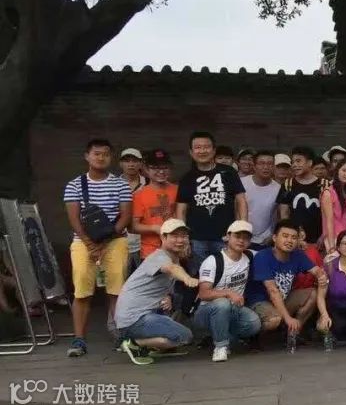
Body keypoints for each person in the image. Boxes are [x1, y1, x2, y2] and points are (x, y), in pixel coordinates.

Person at [63, 139, 133, 357]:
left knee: (117, 289)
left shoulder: (120, 184)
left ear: (111, 158)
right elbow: (74, 218)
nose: (101, 157)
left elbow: (125, 216)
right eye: (96, 153)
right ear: (87, 156)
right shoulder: (75, 185)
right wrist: (89, 243)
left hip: (115, 240)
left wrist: (104, 241)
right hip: (83, 241)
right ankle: (79, 339)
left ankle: (122, 336)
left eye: (105, 154)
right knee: (82, 290)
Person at [115, 218, 199, 365]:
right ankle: (134, 343)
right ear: (163, 237)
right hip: (134, 319)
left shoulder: (174, 258)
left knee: (175, 324)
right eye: (175, 236)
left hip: (142, 314)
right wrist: (187, 278)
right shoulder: (159, 257)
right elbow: (172, 269)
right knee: (185, 336)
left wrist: (168, 296)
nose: (180, 240)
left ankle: (154, 346)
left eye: (184, 236)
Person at [245, 219, 327, 353]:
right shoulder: (263, 257)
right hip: (261, 302)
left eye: (294, 237)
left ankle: (292, 333)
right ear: (274, 238)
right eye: (285, 236)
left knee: (312, 293)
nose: (289, 240)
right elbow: (272, 291)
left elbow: (317, 270)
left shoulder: (297, 255)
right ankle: (254, 337)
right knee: (274, 319)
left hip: (283, 299)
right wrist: (288, 318)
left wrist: (321, 276)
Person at [176, 131, 248, 274]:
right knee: (199, 276)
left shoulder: (228, 172)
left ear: (214, 150)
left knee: (226, 274)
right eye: (198, 147)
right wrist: (183, 238)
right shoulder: (187, 178)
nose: (202, 151)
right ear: (191, 152)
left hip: (225, 237)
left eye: (206, 147)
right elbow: (181, 210)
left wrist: (243, 228)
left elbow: (241, 200)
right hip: (196, 239)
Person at [192, 220, 262, 362]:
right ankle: (221, 346)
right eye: (237, 236)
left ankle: (223, 336)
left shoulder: (249, 255)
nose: (241, 241)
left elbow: (271, 254)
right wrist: (229, 293)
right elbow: (204, 294)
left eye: (246, 238)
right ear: (228, 237)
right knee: (222, 304)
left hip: (234, 309)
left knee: (254, 323)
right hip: (207, 311)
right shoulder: (213, 261)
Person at [277, 146, 330, 249]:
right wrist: (290, 237)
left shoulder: (325, 185)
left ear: (310, 163)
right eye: (293, 162)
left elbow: (330, 216)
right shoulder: (288, 184)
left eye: (298, 161)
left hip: (320, 242)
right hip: (294, 242)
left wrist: (325, 235)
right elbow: (284, 215)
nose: (294, 165)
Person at [131, 149, 178, 260]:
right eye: (155, 168)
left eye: (165, 167)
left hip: (177, 249)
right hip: (151, 251)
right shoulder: (139, 195)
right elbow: (133, 227)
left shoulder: (178, 190)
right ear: (146, 169)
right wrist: (154, 228)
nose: (161, 172)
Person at [242, 151, 282, 249]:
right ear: (254, 166)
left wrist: (273, 235)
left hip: (265, 240)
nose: (266, 167)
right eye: (261, 163)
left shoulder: (279, 189)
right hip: (242, 237)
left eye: (270, 164)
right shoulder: (241, 183)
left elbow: (278, 216)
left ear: (274, 167)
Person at [119, 148, 147, 271]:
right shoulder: (113, 184)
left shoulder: (150, 183)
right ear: (120, 164)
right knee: (121, 278)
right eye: (127, 161)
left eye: (135, 161)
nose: (131, 164)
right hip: (120, 241)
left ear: (141, 164)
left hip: (145, 242)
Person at [321, 160, 346, 254]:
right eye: (344, 170)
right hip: (336, 239)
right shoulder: (328, 193)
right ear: (337, 171)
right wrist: (332, 247)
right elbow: (329, 221)